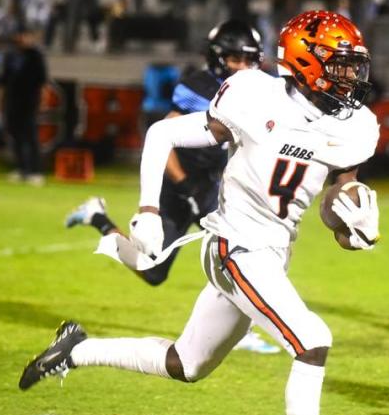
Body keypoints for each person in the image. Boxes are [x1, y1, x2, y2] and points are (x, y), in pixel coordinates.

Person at [18, 10, 381, 415]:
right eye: (338, 65)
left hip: (272, 255)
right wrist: (147, 210)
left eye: (352, 67)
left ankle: (76, 350)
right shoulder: (255, 93)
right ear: (303, 59)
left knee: (186, 364)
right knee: (313, 340)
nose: (349, 77)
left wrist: (350, 221)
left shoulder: (356, 125)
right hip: (233, 246)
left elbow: (334, 193)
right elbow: (161, 136)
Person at [64, 19, 277, 354]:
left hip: (216, 184)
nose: (244, 66)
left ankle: (238, 331)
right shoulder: (199, 88)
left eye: (250, 59)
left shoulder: (261, 87)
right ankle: (97, 217)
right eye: (236, 58)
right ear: (218, 57)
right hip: (180, 183)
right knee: (152, 271)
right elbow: (166, 136)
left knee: (239, 253)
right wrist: (185, 184)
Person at [1, 25, 47, 185]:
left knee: (31, 137)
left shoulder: (36, 56)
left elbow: (42, 82)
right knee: (16, 136)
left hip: (29, 102)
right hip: (13, 101)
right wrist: (1, 100)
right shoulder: (11, 55)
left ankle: (36, 171)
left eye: (25, 36)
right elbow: (4, 81)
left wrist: (41, 101)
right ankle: (22, 168)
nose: (22, 39)